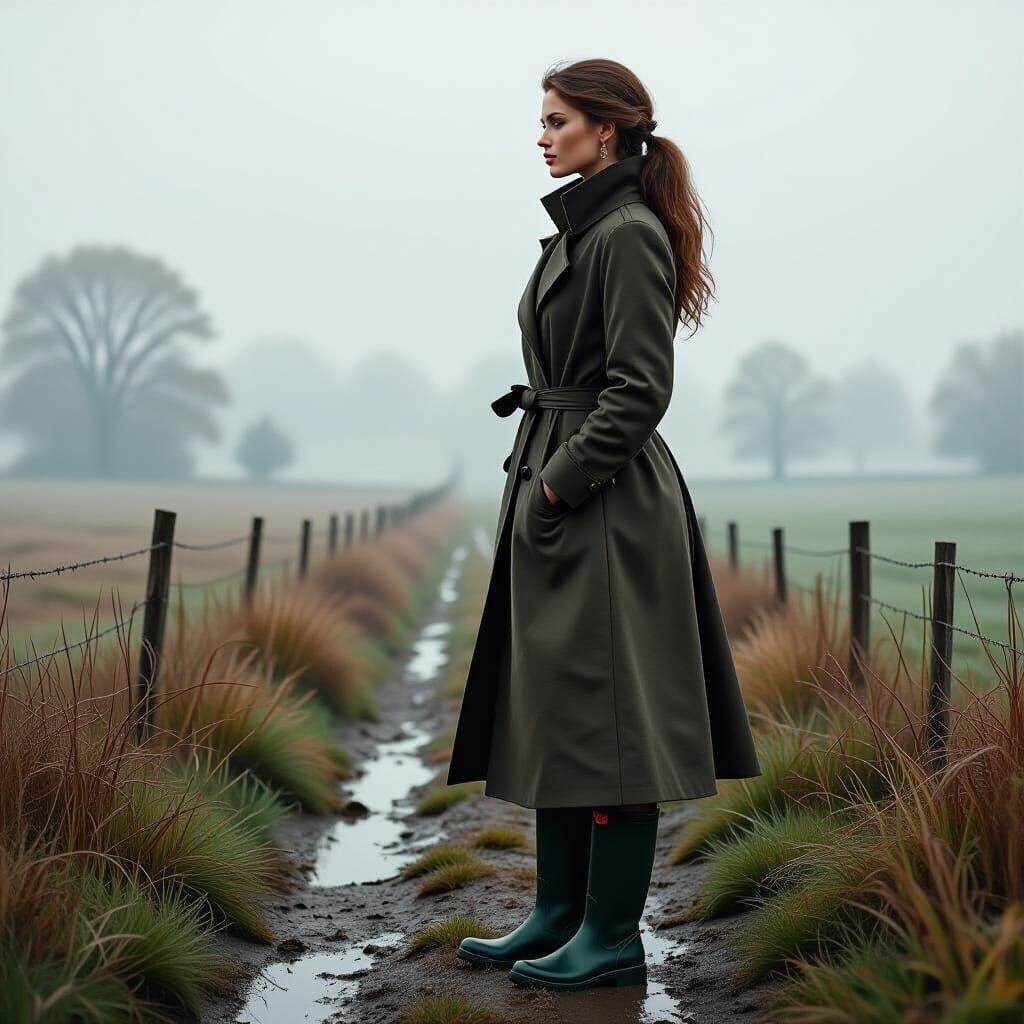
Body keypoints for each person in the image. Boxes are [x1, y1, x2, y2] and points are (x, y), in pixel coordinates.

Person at [448, 58, 762, 991]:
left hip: (605, 505)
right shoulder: (582, 227)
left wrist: (557, 486)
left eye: (557, 120)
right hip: (566, 491)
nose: (542, 135)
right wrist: (544, 482)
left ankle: (613, 936)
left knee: (611, 720)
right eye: (541, 120)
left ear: (609, 131)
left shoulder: (624, 233)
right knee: (561, 712)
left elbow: (640, 389)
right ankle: (557, 914)